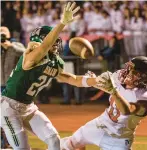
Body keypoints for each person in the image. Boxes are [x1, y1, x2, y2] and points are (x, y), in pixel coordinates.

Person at [0, 2, 99, 150]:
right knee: (22, 148)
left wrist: (97, 81)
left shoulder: (55, 62)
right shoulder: (31, 55)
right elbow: (43, 47)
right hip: (9, 107)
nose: (56, 44)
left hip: (29, 107)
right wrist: (62, 23)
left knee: (54, 140)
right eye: (53, 40)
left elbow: (71, 79)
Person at [61, 56, 147, 150]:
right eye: (129, 69)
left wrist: (113, 91)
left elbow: (126, 110)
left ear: (144, 78)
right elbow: (77, 80)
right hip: (100, 125)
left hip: (118, 138)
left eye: (133, 72)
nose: (127, 72)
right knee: (67, 145)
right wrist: (57, 74)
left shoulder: (146, 98)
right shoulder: (118, 77)